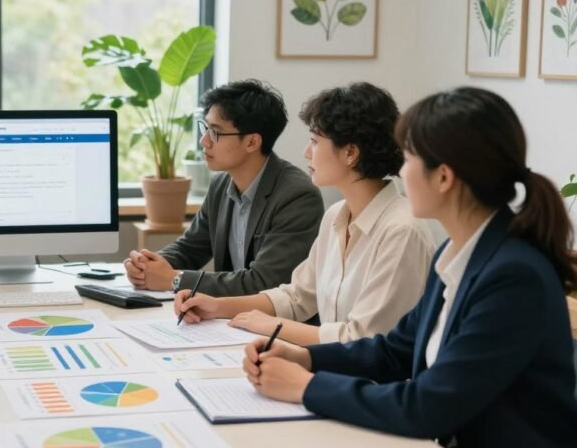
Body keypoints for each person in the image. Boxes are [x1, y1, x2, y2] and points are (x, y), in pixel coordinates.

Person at [243, 87, 577, 448]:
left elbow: (428, 405)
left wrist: (307, 387)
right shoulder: (457, 251)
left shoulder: (513, 276)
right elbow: (395, 349)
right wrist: (307, 359)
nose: (400, 171)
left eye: (410, 159)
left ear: (444, 177)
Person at [175, 83, 434, 345]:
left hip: (374, 381)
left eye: (314, 141)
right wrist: (217, 306)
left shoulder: (401, 231)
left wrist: (273, 326)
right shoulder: (335, 216)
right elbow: (296, 297)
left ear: (350, 153)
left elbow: (363, 338)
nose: (306, 152)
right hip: (337, 369)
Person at [123, 79, 324, 297]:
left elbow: (263, 282)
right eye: (206, 128)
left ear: (252, 142)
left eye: (216, 133)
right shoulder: (222, 184)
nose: (204, 141)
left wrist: (174, 279)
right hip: (228, 318)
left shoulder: (297, 196)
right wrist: (147, 265)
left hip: (278, 326)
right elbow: (190, 248)